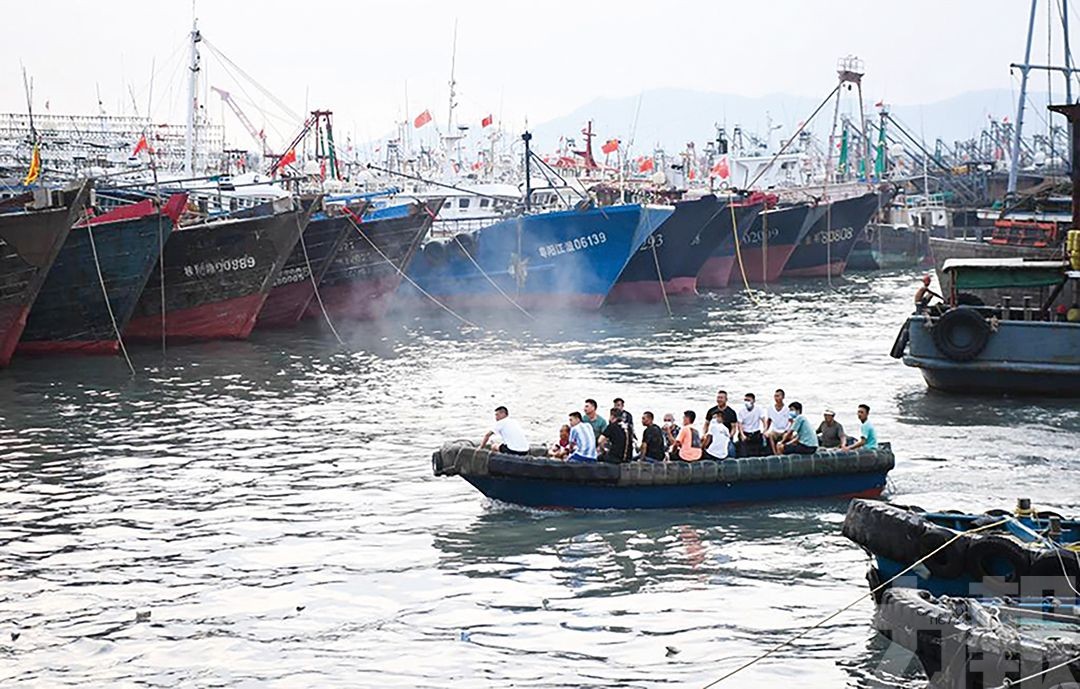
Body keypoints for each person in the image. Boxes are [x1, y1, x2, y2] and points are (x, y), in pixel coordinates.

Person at [704, 390, 738, 456]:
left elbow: (734, 428)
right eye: (718, 398)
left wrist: (730, 436)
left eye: (721, 398)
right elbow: (706, 424)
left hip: (725, 437)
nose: (719, 400)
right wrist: (705, 434)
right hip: (713, 437)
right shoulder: (711, 411)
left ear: (726, 399)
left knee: (731, 450)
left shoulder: (731, 412)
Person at [735, 392, 767, 457]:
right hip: (745, 433)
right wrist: (742, 435)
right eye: (745, 400)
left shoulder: (758, 409)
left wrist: (765, 430)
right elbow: (739, 424)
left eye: (748, 400)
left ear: (753, 401)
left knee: (759, 452)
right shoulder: (741, 411)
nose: (747, 402)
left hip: (756, 433)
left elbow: (764, 421)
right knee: (743, 452)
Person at [764, 388, 790, 455]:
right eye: (775, 396)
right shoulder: (770, 408)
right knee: (770, 435)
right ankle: (775, 453)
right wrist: (765, 430)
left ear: (783, 397)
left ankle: (781, 452)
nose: (776, 398)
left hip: (784, 430)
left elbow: (791, 421)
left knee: (786, 436)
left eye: (778, 396)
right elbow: (769, 420)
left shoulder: (787, 409)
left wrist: (788, 430)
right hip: (775, 430)